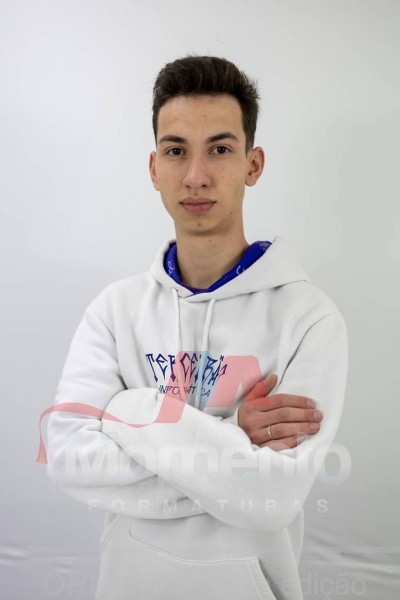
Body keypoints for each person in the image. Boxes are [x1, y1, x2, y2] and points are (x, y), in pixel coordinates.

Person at [46, 56, 348, 600]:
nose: (196, 176)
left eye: (220, 149)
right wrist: (235, 439)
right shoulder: (114, 311)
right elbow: (68, 458)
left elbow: (273, 498)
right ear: (154, 167)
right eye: (176, 151)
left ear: (253, 164)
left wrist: (131, 411)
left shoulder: (310, 319)